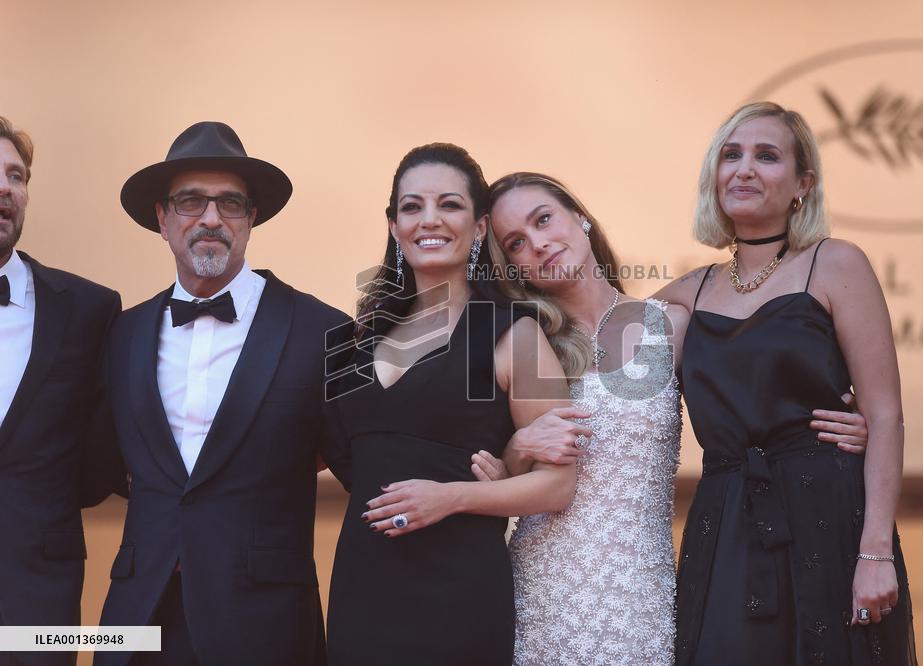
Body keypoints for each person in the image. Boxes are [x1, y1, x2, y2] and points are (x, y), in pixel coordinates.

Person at [475, 171, 872, 665]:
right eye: (516, 242)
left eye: (543, 219)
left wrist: (840, 422)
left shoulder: (672, 323)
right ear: (511, 267)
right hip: (543, 588)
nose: (538, 243)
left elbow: (755, 390)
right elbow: (499, 465)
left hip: (642, 597)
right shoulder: (523, 343)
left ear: (580, 217)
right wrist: (518, 450)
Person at [658, 102, 917, 665]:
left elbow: (886, 414)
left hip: (828, 512)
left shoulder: (836, 263)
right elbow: (592, 345)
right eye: (731, 155)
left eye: (766, 156)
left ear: (803, 184)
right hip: (723, 518)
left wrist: (874, 553)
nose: (744, 169)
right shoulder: (685, 294)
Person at [85, 121, 352, 666]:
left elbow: (366, 456)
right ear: (162, 218)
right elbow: (103, 455)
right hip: (138, 618)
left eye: (230, 203)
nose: (211, 218)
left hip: (266, 625)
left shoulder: (326, 331)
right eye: (190, 202)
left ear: (251, 218)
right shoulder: (123, 333)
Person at [324, 144, 577, 666]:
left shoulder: (514, 334)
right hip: (361, 591)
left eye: (449, 205)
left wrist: (452, 498)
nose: (429, 220)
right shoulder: (356, 342)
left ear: (480, 227)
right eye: (412, 207)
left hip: (458, 596)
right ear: (394, 226)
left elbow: (559, 485)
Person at [0, 117, 120, 666]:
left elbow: (99, 454)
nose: (6, 187)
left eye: (16, 176)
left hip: (38, 596)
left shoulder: (88, 310)